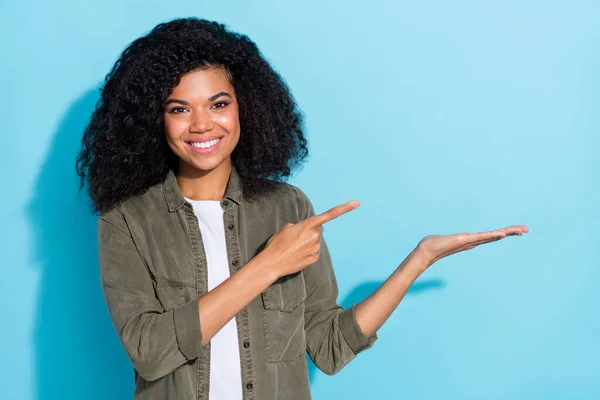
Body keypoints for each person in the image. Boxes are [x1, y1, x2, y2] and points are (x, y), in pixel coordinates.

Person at [75, 17, 528, 400]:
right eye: (179, 109)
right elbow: (149, 351)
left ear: (244, 108)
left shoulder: (287, 207)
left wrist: (419, 259)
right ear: (156, 119)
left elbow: (329, 348)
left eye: (218, 104)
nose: (201, 124)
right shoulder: (127, 219)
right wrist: (269, 264)